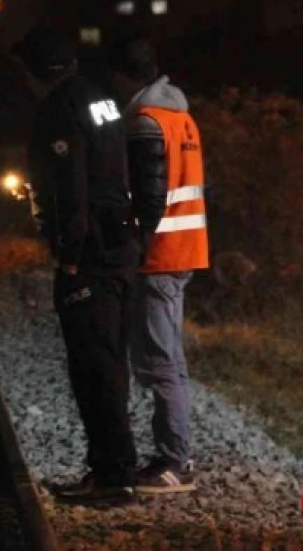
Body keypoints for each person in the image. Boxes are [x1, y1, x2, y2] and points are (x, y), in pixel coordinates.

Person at [11, 26, 140, 505]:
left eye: (22, 71)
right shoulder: (100, 99)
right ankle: (112, 468)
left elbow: (70, 188)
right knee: (109, 362)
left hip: (91, 256)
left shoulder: (58, 111)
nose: (21, 81)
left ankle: (114, 477)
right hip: (120, 247)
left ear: (35, 70)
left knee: (94, 367)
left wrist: (68, 257)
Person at [108, 36, 209, 495]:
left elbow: (149, 198)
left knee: (160, 362)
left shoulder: (146, 122)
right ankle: (176, 455)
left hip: (159, 255)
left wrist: (131, 247)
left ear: (122, 77)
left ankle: (173, 462)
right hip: (183, 247)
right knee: (171, 360)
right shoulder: (180, 116)